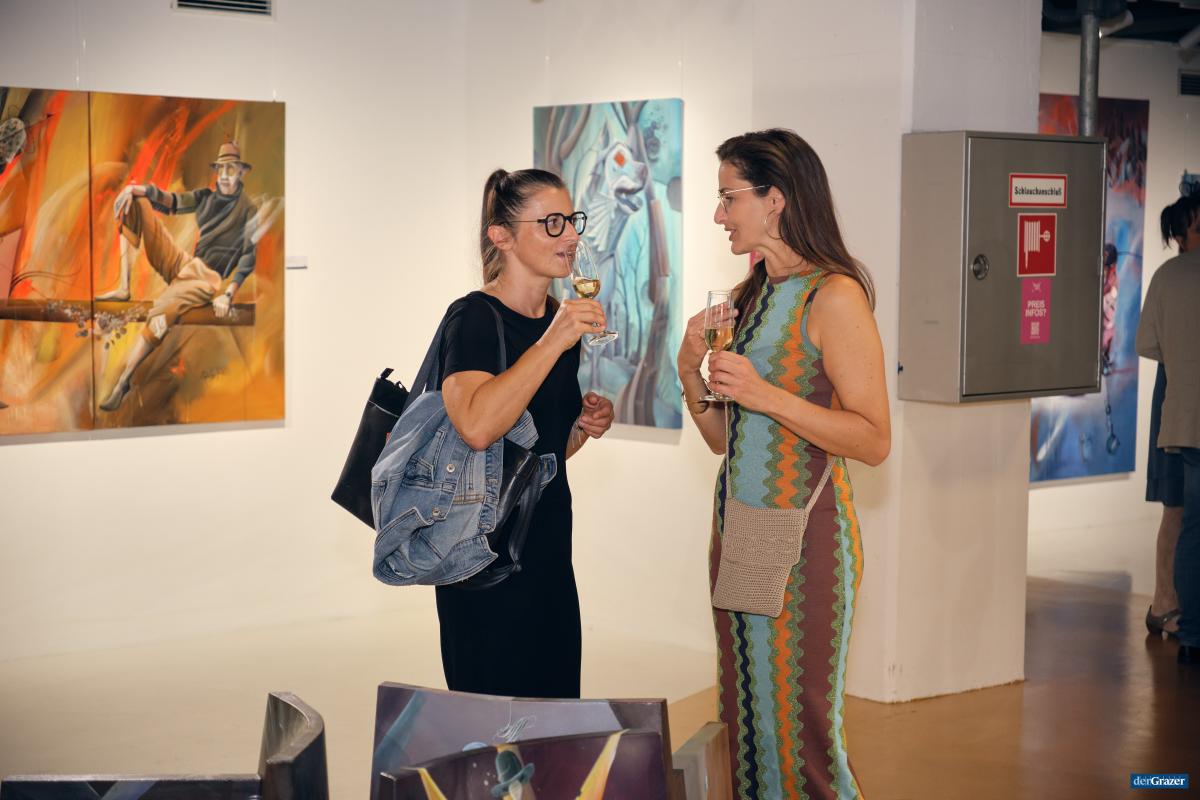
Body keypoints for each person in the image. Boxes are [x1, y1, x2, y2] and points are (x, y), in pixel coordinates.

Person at [678, 129, 890, 799]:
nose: (719, 214)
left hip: (805, 537)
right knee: (747, 724)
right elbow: (724, 438)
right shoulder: (746, 298)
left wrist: (765, 394)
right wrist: (688, 370)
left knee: (804, 736)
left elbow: (873, 439)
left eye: (728, 197)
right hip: (742, 531)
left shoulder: (834, 296)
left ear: (775, 199)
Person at [434, 168, 615, 698]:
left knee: (555, 715)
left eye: (572, 220)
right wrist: (553, 341)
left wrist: (580, 429)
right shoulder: (473, 317)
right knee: (493, 724)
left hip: (548, 549)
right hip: (481, 557)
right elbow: (476, 428)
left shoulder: (558, 319)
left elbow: (536, 454)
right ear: (502, 236)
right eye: (552, 223)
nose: (571, 235)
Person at [96, 141, 260, 411]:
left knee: (162, 311)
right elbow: (171, 202)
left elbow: (248, 257)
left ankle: (124, 380)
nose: (224, 175)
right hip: (184, 265)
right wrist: (135, 189)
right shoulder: (206, 197)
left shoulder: (248, 210)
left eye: (230, 169)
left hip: (206, 280)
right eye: (221, 169)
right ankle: (124, 287)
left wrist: (228, 294)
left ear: (241, 172)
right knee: (136, 201)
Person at [1137, 193, 1200, 664]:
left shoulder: (1166, 277)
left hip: (1181, 413)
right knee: (1182, 515)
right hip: (1183, 412)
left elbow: (1148, 344)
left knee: (1185, 517)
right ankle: (1174, 611)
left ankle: (1187, 625)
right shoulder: (1175, 277)